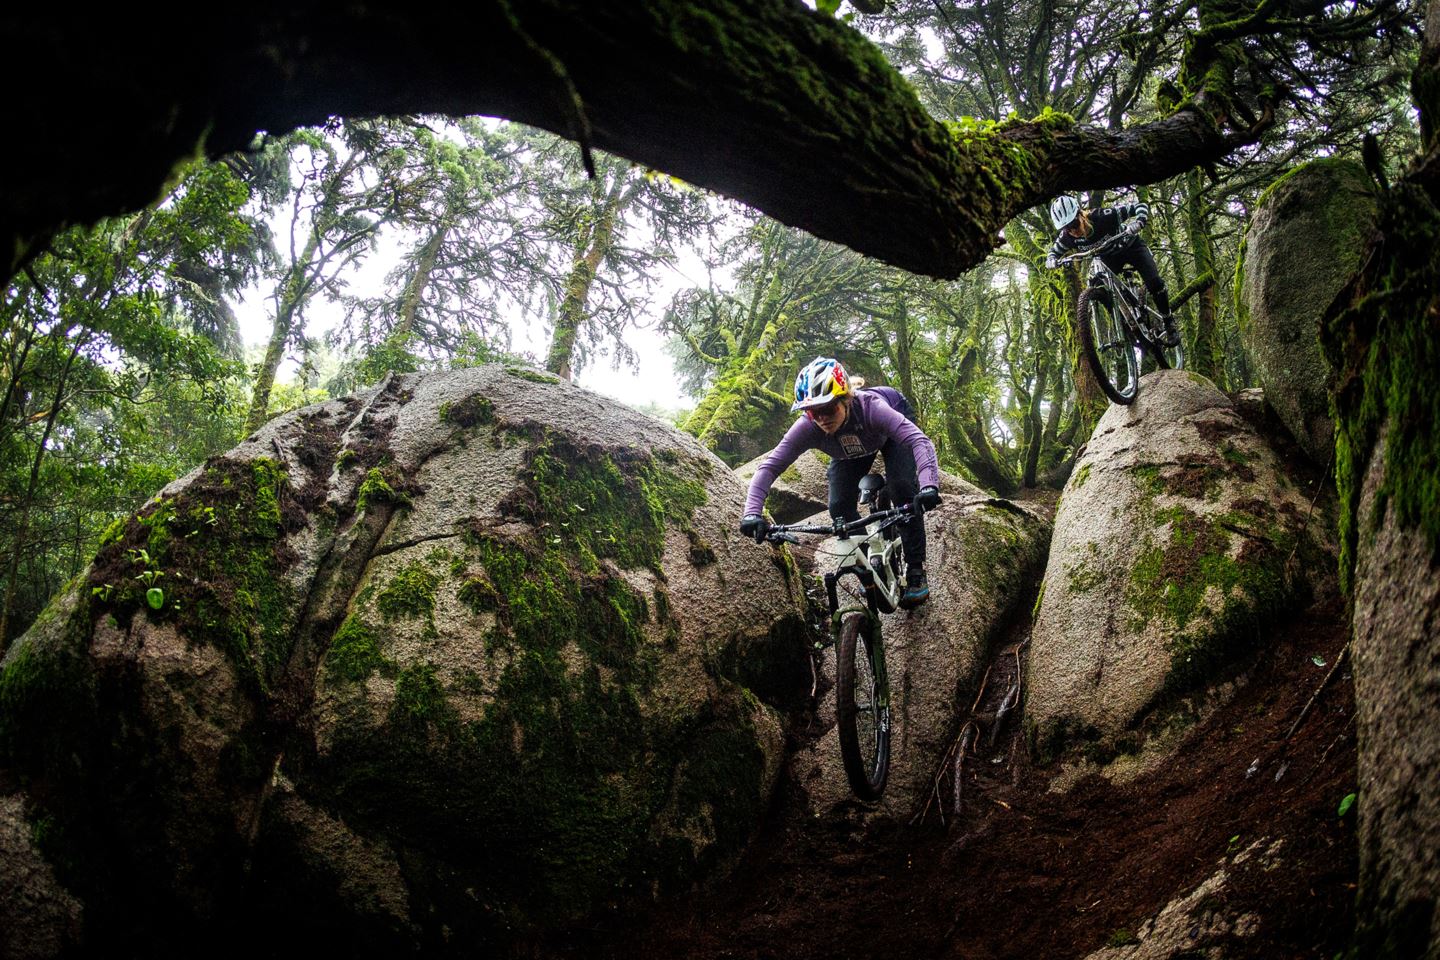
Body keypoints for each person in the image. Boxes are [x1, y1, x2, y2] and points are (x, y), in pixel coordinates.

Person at [739, 357, 941, 609]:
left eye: (829, 408)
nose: (822, 418)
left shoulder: (871, 408)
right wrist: (752, 513)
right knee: (838, 507)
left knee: (902, 488)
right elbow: (770, 466)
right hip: (848, 451)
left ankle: (915, 568)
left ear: (845, 398)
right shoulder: (808, 427)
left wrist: (929, 485)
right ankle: (867, 561)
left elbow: (919, 441)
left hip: (888, 434)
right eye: (813, 411)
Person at [1044, 195, 1180, 347]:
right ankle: (1124, 323)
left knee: (1154, 282)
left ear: (1081, 215)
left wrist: (1140, 221)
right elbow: (1053, 253)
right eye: (1066, 228)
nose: (1073, 231)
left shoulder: (1103, 217)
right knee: (1098, 286)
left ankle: (1168, 322)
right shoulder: (1066, 238)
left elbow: (1140, 206)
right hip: (1110, 259)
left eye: (1074, 224)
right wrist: (1051, 260)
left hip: (1132, 248)